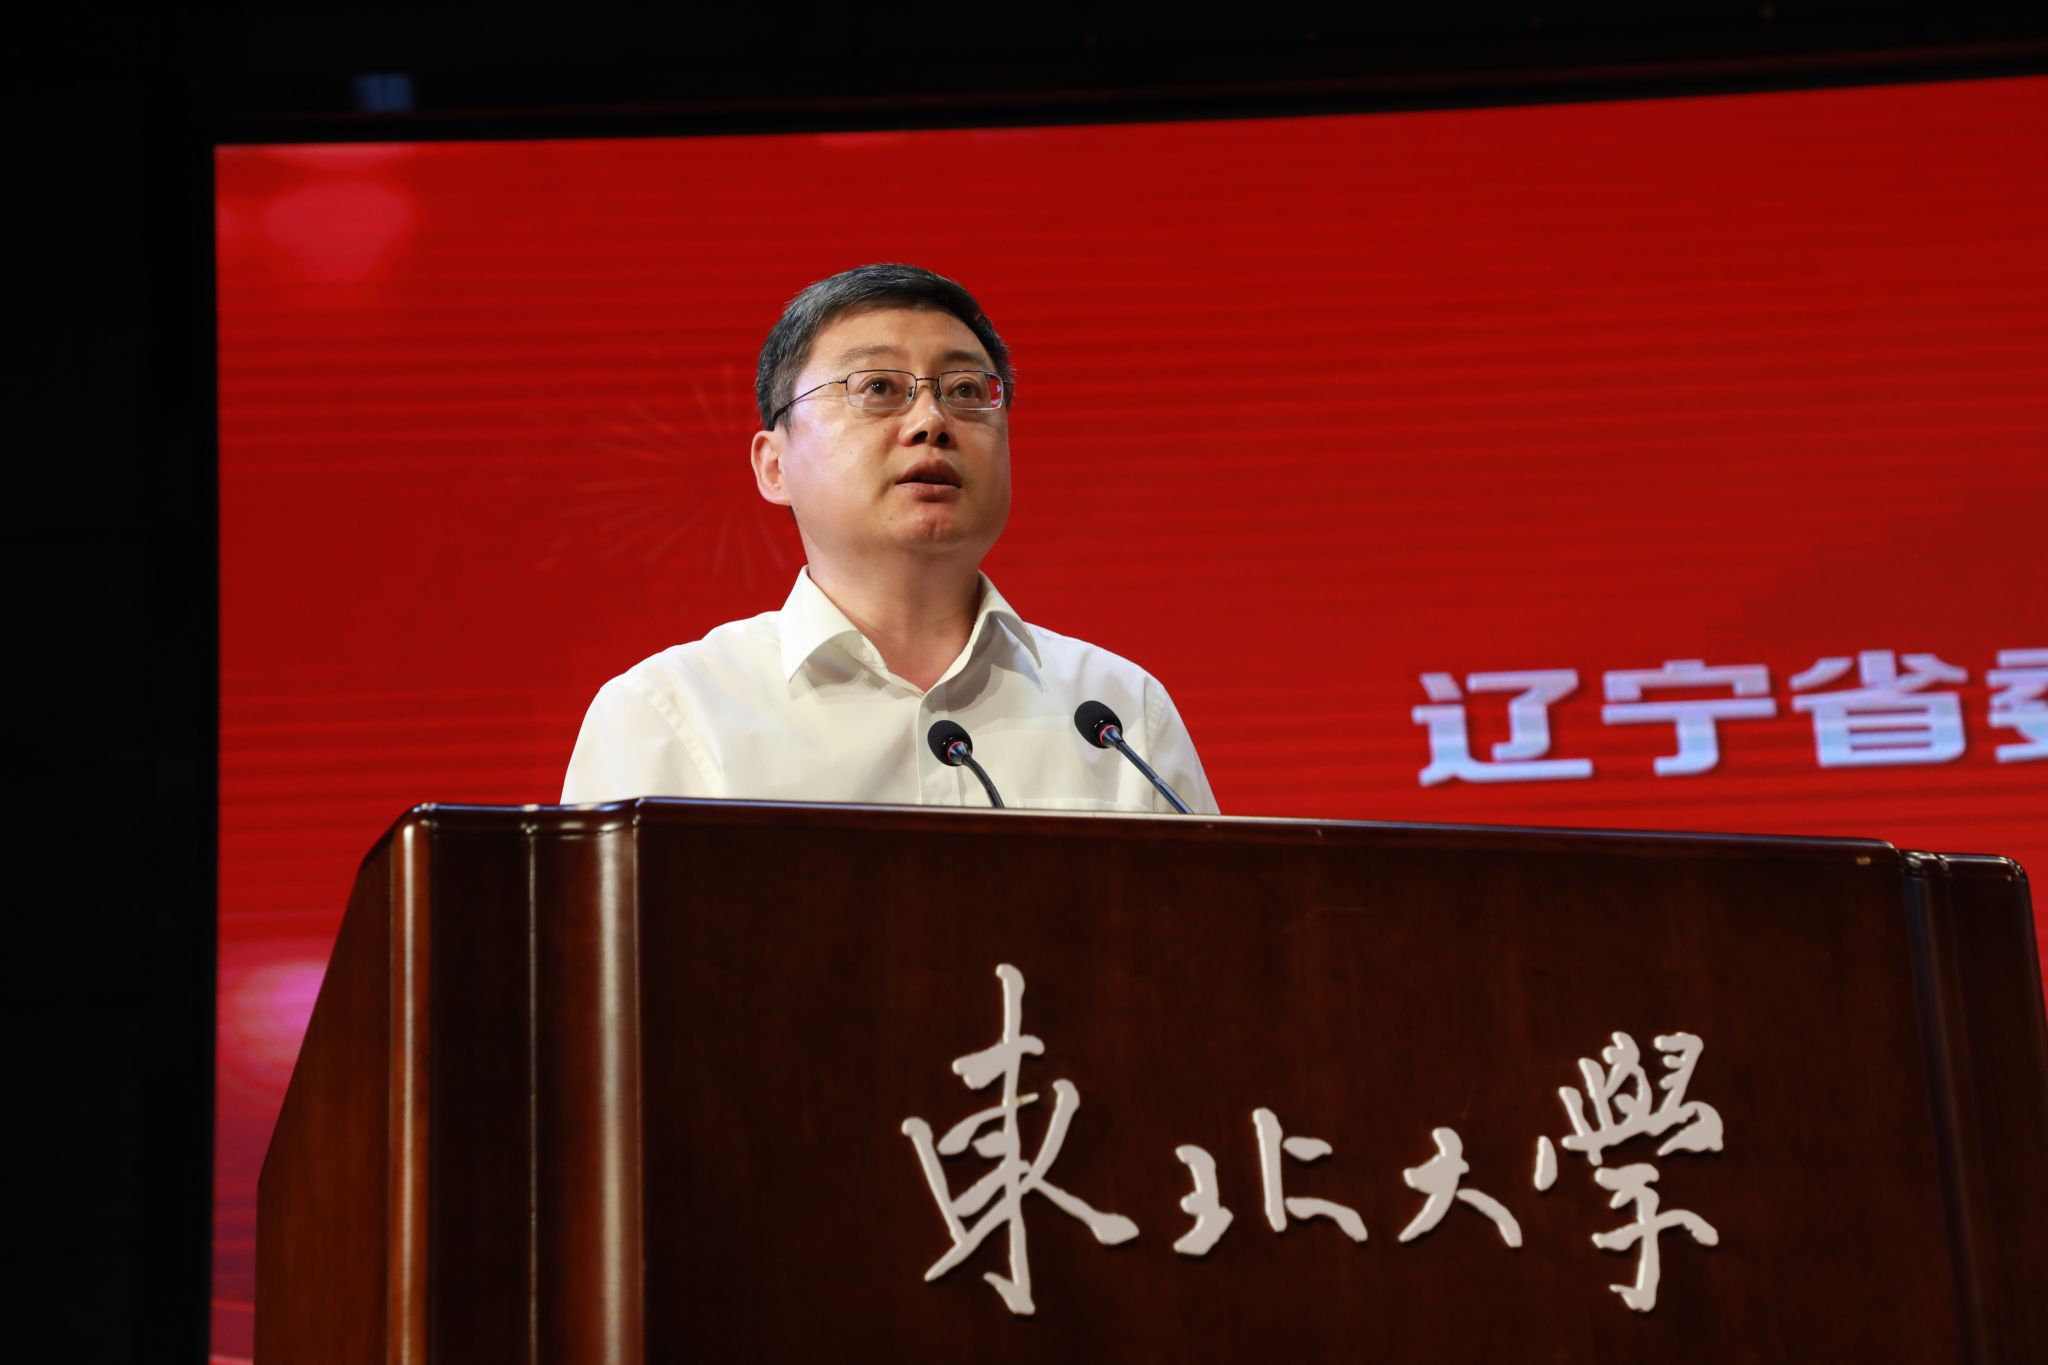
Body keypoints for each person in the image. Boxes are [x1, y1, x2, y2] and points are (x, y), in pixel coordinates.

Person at [561, 263, 1216, 813]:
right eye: (877, 387)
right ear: (774, 465)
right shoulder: (671, 716)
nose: (931, 420)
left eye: (965, 390)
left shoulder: (1120, 714)